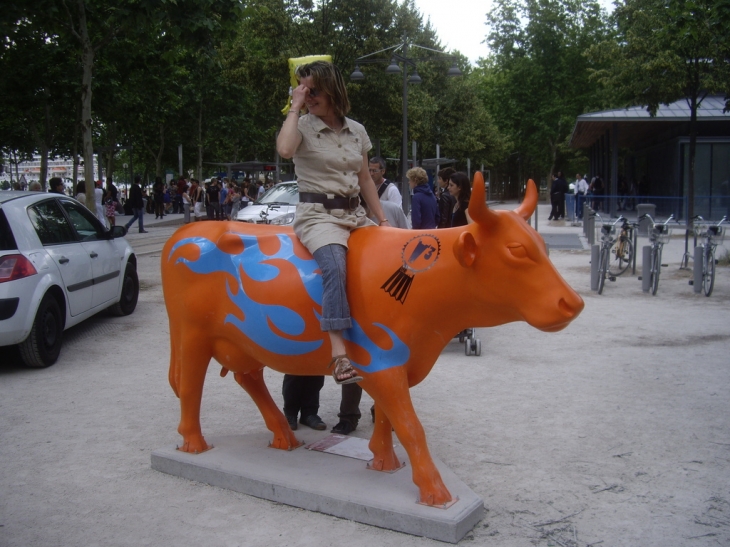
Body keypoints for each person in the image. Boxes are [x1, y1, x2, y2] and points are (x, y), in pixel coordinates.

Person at [276, 59, 389, 386]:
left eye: (314, 91)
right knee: (336, 267)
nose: (308, 96)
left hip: (356, 216)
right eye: (303, 91)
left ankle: (386, 330)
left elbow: (365, 178)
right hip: (319, 217)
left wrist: (382, 220)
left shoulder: (357, 130)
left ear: (332, 89)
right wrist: (294, 107)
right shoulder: (301, 126)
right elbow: (284, 150)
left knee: (394, 260)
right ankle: (339, 354)